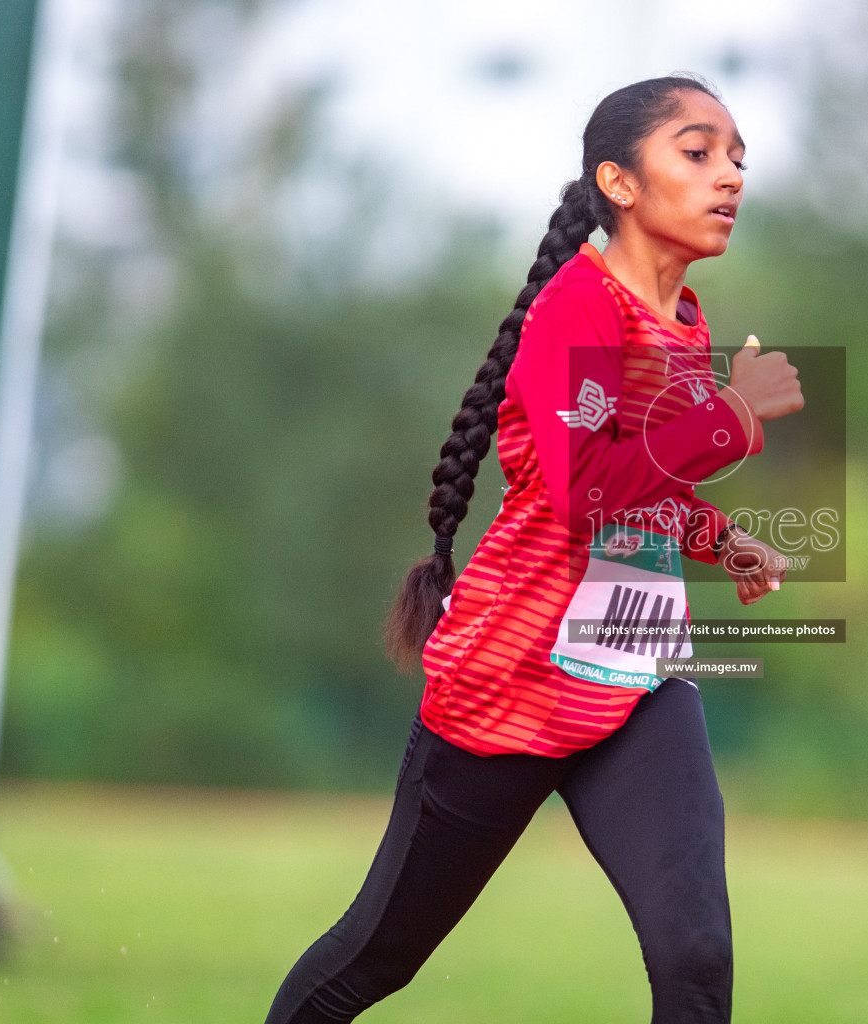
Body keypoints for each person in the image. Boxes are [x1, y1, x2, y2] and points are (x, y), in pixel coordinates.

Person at [263, 75, 804, 1024]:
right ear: (620, 182)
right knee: (377, 959)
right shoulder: (575, 309)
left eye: (738, 160)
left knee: (697, 958)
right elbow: (587, 493)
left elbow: (643, 485)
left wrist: (724, 541)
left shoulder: (686, 323)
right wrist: (732, 417)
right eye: (699, 152)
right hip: (510, 682)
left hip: (633, 670)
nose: (730, 178)